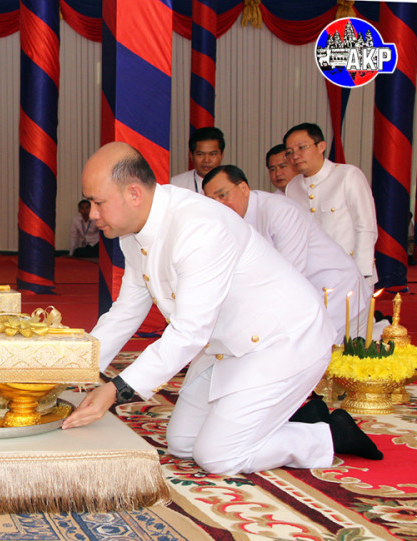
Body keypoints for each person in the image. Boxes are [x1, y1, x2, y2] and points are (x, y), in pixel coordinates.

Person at [64, 142, 381, 475]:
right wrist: (72, 369)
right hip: (228, 345)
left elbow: (189, 332)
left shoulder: (198, 226)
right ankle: (293, 419)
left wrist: (115, 390)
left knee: (218, 457)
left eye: (98, 202)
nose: (93, 214)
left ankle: (327, 435)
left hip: (282, 341)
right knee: (183, 443)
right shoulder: (135, 232)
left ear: (133, 194)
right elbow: (126, 311)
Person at [203, 164, 374, 341]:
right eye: (212, 201)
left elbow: (291, 274)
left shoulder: (279, 211)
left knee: (334, 355)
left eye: (223, 195)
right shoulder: (231, 223)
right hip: (303, 301)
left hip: (336, 295)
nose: (219, 205)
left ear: (243, 188)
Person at [283, 122, 377, 283]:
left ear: (321, 147)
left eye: (302, 148)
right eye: (290, 152)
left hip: (349, 272)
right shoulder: (292, 187)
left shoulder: (347, 175)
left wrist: (360, 272)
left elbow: (365, 226)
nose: (295, 156)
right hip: (313, 275)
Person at [170, 126, 225, 195]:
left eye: (212, 154)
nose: (206, 160)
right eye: (200, 154)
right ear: (191, 155)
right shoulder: (177, 184)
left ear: (222, 155)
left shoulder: (232, 183)